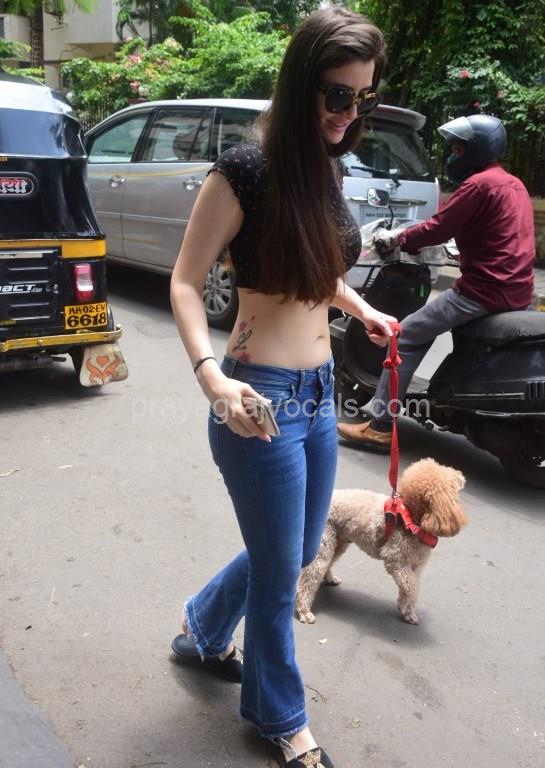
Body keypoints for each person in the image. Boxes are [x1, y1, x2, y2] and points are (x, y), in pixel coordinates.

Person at [169, 7, 395, 767]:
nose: (348, 112)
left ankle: (204, 629)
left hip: (318, 391)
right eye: (336, 95)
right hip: (255, 395)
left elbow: (317, 271)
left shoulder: (324, 168)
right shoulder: (244, 170)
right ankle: (281, 719)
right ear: (300, 84)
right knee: (280, 576)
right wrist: (211, 376)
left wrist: (361, 309)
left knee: (296, 547)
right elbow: (185, 282)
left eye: (362, 97)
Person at [337, 113, 536, 451]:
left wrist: (400, 240)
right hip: (517, 291)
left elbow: (439, 227)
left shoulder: (478, 185)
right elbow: (501, 236)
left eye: (458, 150)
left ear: (477, 150)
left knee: (407, 334)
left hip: (482, 291)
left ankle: (381, 424)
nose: (452, 156)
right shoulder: (514, 184)